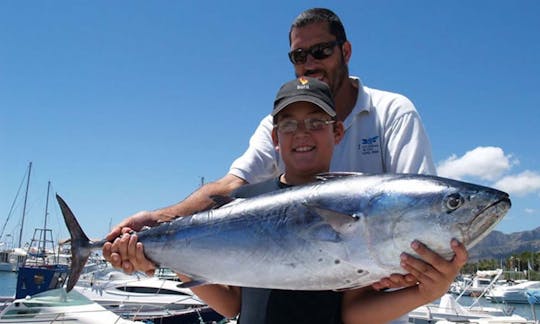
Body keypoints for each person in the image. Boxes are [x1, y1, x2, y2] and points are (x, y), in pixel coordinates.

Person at [103, 8, 455, 292]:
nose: (310, 62)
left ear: (345, 51)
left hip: (373, 298)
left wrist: (425, 282)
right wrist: (159, 220)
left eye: (321, 51)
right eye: (299, 55)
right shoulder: (277, 124)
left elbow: (419, 209)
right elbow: (231, 187)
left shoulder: (393, 112)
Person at [117, 76, 468, 324]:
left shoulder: (353, 204)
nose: (302, 133)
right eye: (289, 124)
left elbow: (353, 314)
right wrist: (167, 254)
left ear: (337, 132)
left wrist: (426, 293)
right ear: (274, 137)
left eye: (316, 122)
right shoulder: (245, 202)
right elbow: (231, 305)